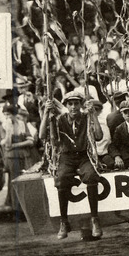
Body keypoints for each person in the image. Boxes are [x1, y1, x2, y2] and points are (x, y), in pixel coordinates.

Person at [39, 90, 104, 240]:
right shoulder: (59, 119)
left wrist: (93, 114)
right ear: (66, 105)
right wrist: (45, 114)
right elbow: (42, 136)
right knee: (61, 179)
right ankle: (64, 221)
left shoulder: (87, 118)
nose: (73, 107)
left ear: (81, 105)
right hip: (66, 157)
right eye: (70, 104)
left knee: (91, 176)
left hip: (83, 156)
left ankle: (95, 219)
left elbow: (99, 136)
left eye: (76, 103)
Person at [1, 103, 40, 209]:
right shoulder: (4, 126)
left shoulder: (22, 124)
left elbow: (30, 141)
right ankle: (16, 209)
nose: (7, 117)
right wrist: (9, 132)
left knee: (26, 182)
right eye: (5, 115)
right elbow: (8, 145)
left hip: (24, 156)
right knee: (15, 182)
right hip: (12, 157)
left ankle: (27, 208)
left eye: (9, 115)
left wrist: (15, 145)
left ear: (14, 114)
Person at [109, 99, 129, 170]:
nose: (127, 115)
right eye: (125, 112)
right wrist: (117, 156)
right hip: (126, 160)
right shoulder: (119, 128)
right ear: (122, 114)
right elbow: (113, 145)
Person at [90, 99, 115, 170]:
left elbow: (107, 141)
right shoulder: (83, 123)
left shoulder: (103, 123)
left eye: (96, 110)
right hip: (88, 155)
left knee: (110, 164)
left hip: (102, 153)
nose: (93, 113)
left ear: (99, 111)